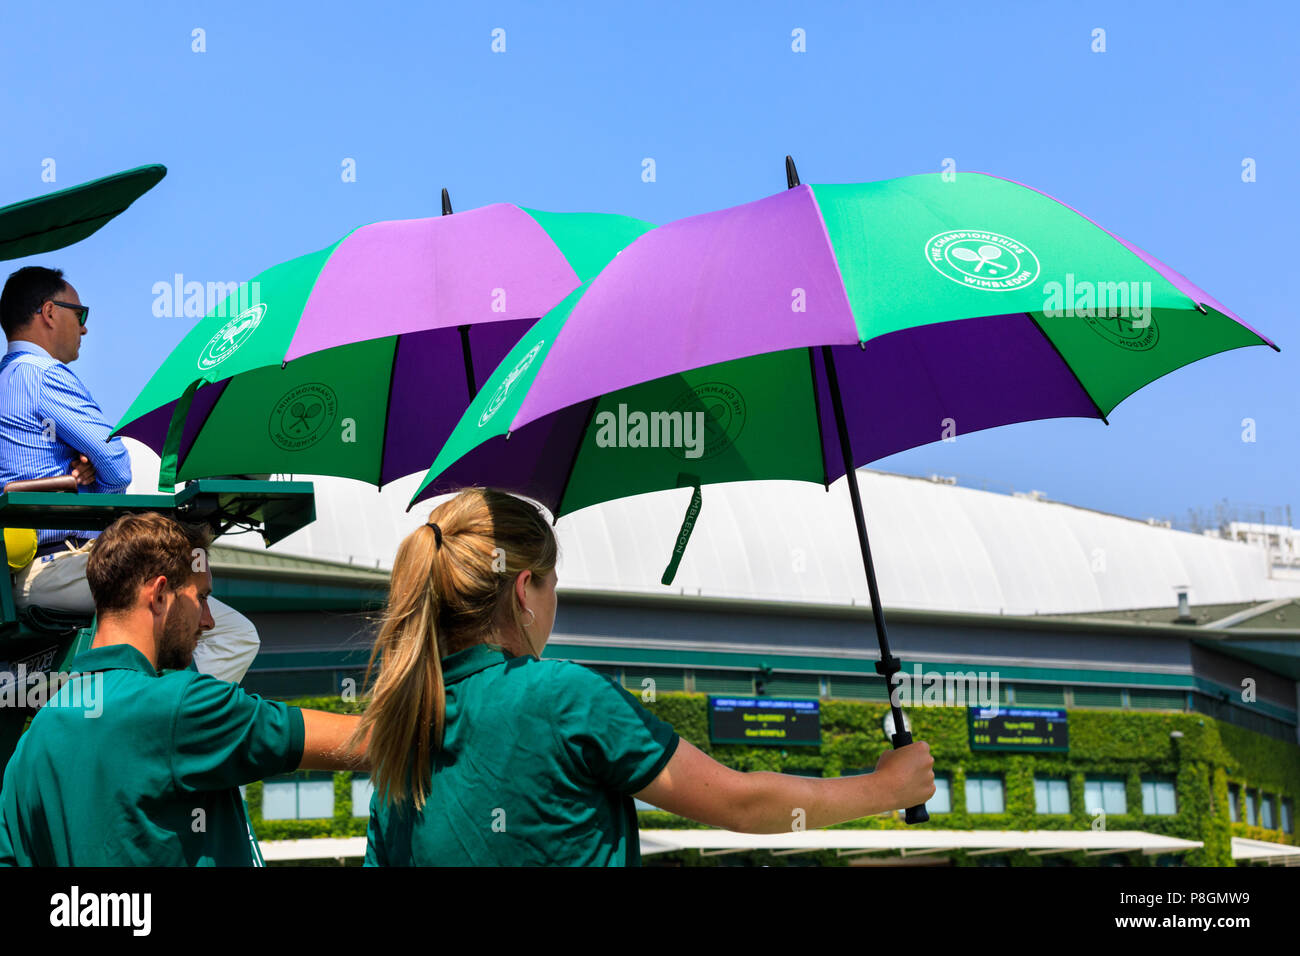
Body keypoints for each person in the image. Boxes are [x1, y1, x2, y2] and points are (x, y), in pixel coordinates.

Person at [353, 487, 935, 866]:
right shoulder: (561, 696)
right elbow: (742, 804)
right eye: (555, 585)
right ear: (526, 588)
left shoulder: (399, 740)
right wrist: (887, 789)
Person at [0, 511, 367, 866]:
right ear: (159, 594)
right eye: (203, 598)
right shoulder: (184, 705)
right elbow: (373, 742)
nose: (208, 621)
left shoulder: (31, 746)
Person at [0, 265, 259, 684]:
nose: (84, 329)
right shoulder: (45, 375)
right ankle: (165, 725)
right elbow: (117, 467)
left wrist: (80, 471)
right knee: (231, 632)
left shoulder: (5, 379)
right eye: (79, 314)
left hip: (17, 577)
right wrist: (90, 473)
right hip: (55, 569)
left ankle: (139, 707)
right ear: (49, 312)